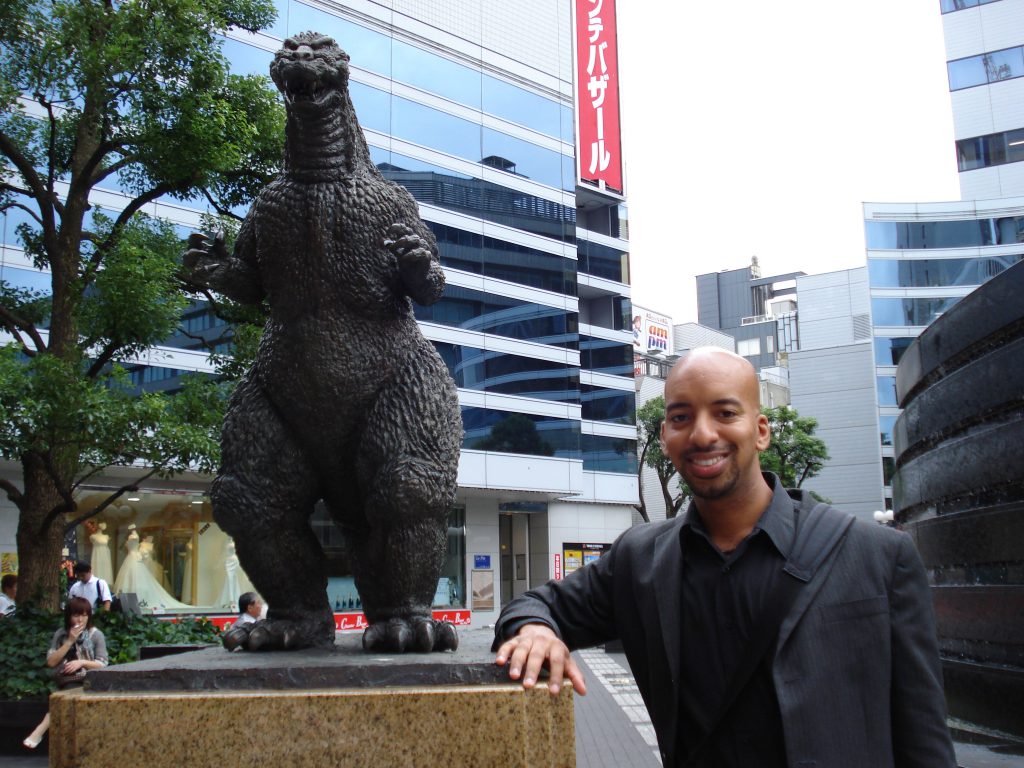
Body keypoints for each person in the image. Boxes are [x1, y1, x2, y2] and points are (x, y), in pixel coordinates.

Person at [493, 347, 956, 768]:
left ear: (760, 431)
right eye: (680, 417)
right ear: (665, 436)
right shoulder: (640, 560)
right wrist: (535, 630)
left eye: (725, 412)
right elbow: (536, 605)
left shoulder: (877, 556)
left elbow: (925, 741)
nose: (702, 434)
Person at [23, 596, 109, 749]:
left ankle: (39, 730)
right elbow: (51, 661)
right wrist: (69, 641)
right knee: (66, 695)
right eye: (76, 615)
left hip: (90, 679)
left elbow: (103, 664)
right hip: (69, 680)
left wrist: (81, 662)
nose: (80, 619)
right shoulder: (61, 634)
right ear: (69, 616)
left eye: (84, 615)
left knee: (64, 699)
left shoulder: (96, 635)